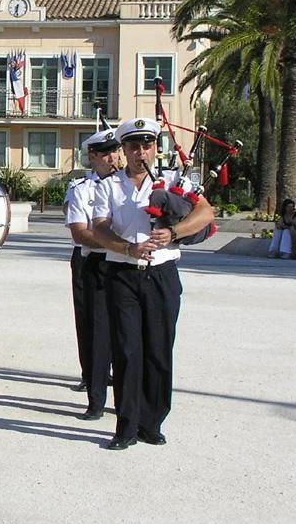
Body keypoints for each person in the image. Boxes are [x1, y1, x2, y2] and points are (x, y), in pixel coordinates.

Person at [91, 118, 214, 451]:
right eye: (132, 146)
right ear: (124, 150)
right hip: (123, 274)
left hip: (161, 274)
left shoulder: (173, 181)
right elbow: (99, 228)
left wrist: (174, 232)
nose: (139, 152)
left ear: (155, 148)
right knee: (127, 351)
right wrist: (127, 247)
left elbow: (205, 213)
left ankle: (153, 422)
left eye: (146, 145)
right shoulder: (109, 185)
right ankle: (126, 426)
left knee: (159, 350)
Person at [64, 129, 120, 420]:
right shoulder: (82, 189)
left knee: (124, 330)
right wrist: (121, 243)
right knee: (94, 331)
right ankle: (96, 397)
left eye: (116, 152)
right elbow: (80, 232)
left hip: (123, 262)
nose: (114, 159)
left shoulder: (128, 186)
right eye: (107, 154)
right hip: (92, 262)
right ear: (93, 157)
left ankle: (124, 396)